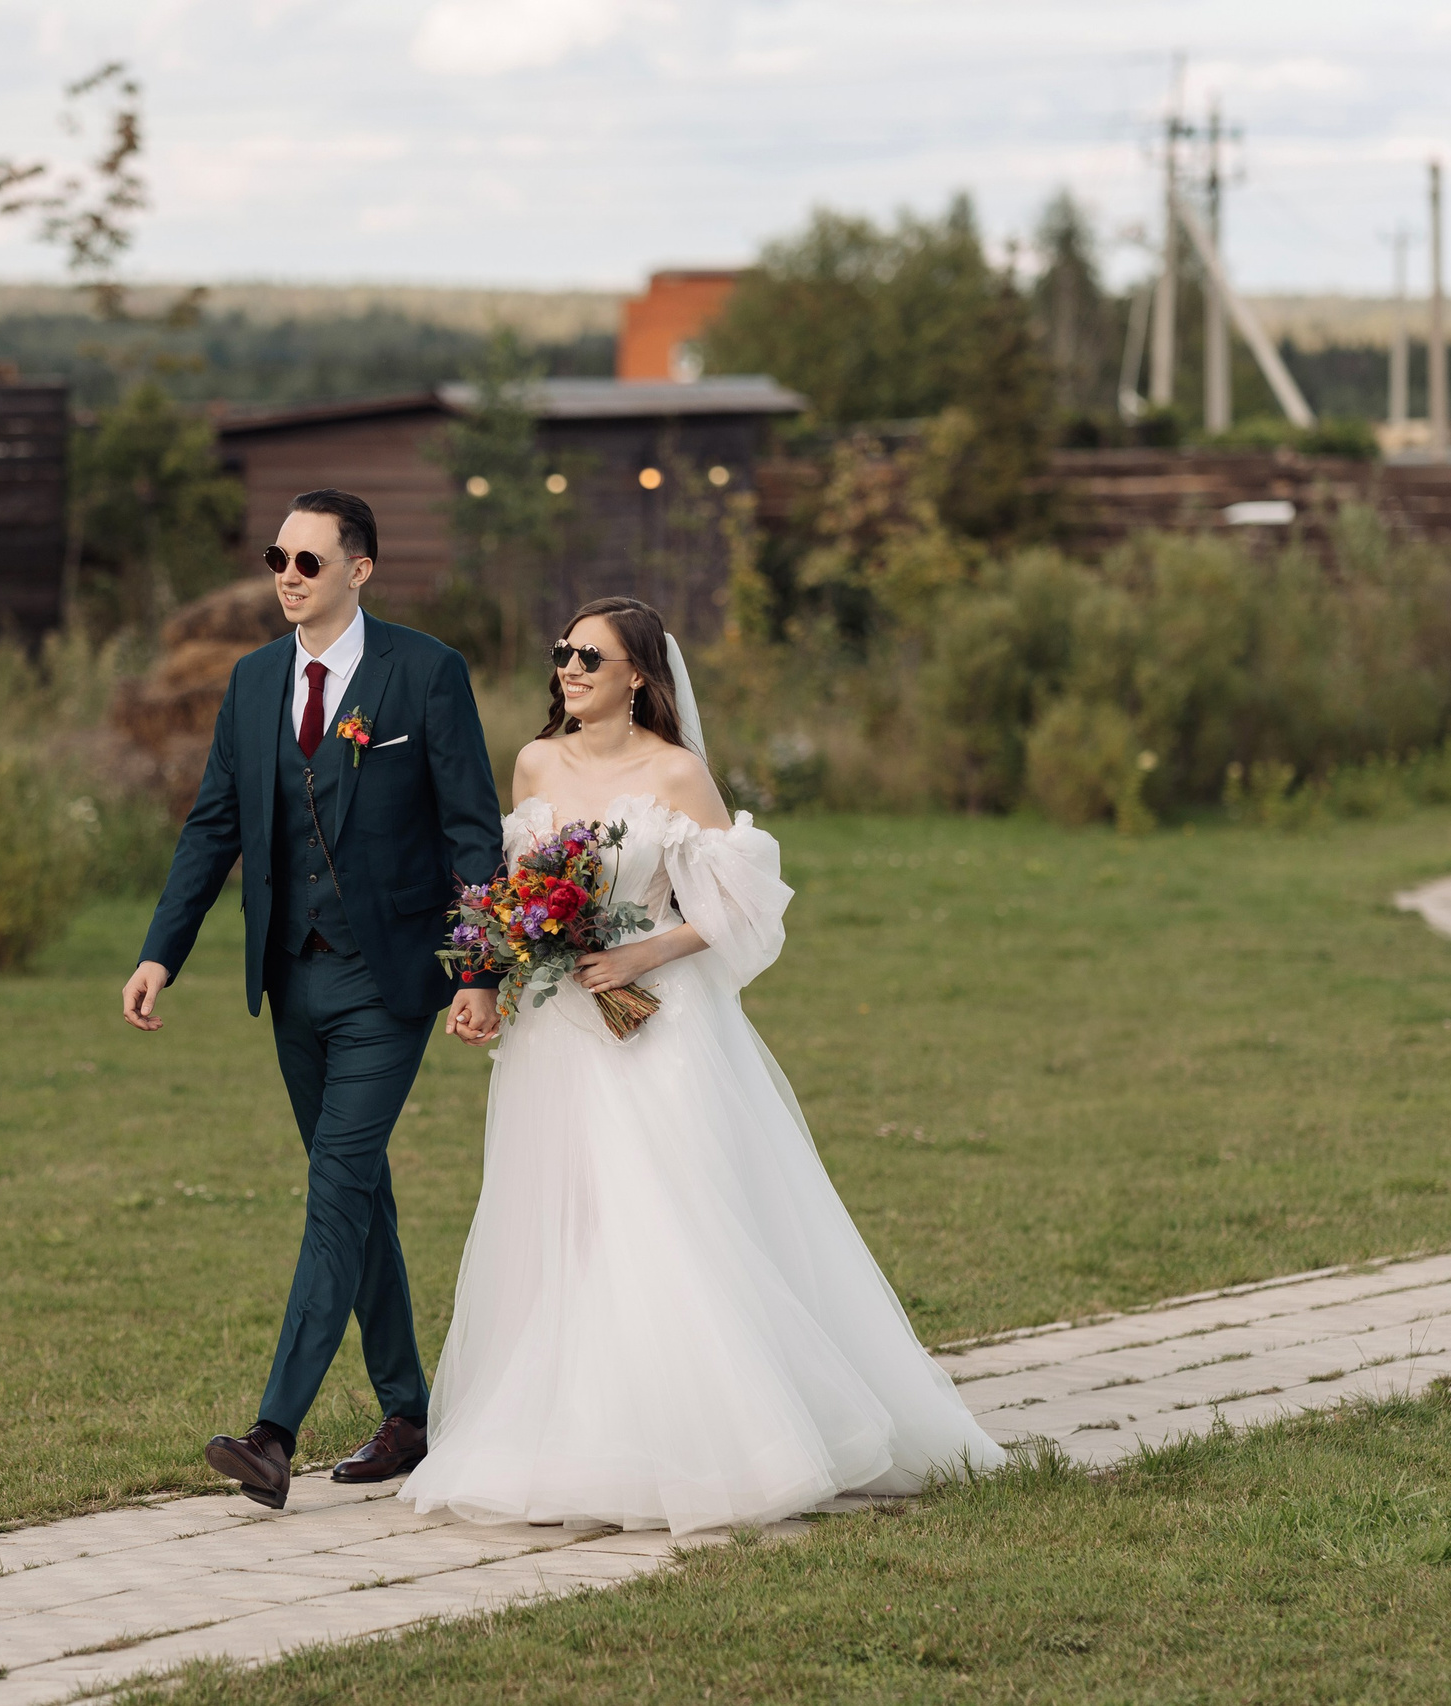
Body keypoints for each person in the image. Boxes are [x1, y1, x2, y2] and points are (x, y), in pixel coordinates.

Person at [401, 596, 1007, 1533]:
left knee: (659, 1215)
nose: (568, 669)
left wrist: (641, 956)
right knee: (565, 1222)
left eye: (590, 659)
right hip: (558, 1030)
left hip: (655, 1026)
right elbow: (507, 889)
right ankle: (567, 1438)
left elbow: (743, 906)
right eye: (562, 653)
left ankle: (715, 1442)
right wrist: (507, 963)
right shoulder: (533, 762)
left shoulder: (677, 774)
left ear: (638, 676)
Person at [122, 489, 504, 1509]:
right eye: (276, 556)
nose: (286, 574)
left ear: (359, 569)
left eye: (307, 560)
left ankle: (273, 1429)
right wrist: (164, 951)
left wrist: (477, 968)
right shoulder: (251, 683)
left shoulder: (423, 672)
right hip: (290, 977)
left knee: (335, 1189)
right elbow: (212, 826)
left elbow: (473, 830)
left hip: (391, 979)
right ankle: (409, 1410)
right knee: (360, 1190)